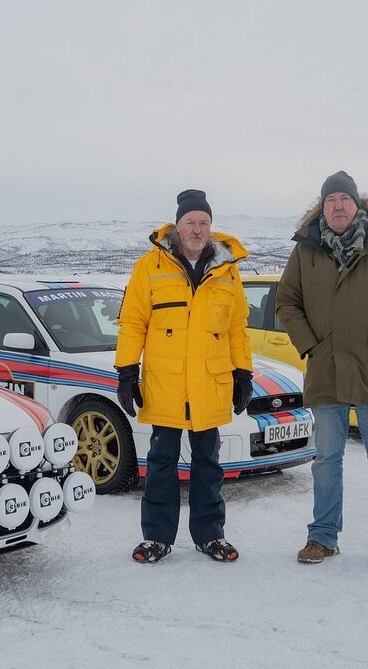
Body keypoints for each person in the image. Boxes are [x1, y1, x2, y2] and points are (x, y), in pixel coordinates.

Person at [275, 170, 368, 569]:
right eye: (330, 200)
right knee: (326, 459)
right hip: (326, 369)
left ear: (356, 205)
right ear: (321, 208)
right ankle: (322, 537)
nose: (337, 206)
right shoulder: (306, 250)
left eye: (344, 199)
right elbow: (287, 301)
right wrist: (310, 344)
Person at [115, 189, 254, 564]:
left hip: (209, 381)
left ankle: (211, 536)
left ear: (211, 227)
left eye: (204, 222)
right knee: (162, 460)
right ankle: (157, 538)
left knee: (208, 461)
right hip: (167, 382)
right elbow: (133, 322)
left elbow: (237, 327)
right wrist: (126, 371)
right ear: (177, 225)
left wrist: (243, 372)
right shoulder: (150, 266)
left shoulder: (227, 270)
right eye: (190, 222)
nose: (197, 229)